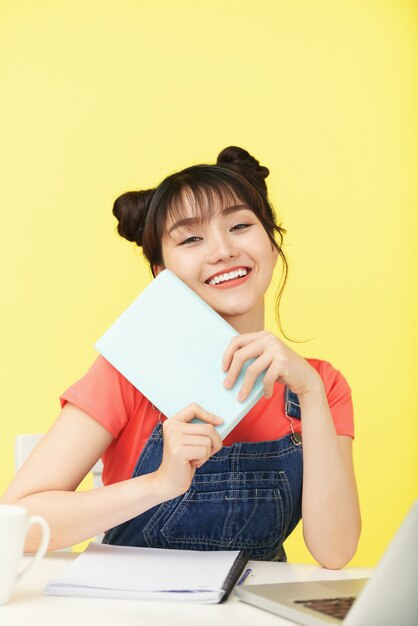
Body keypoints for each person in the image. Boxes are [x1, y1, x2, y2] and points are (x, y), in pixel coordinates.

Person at [2, 146, 361, 568]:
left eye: (241, 225)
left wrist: (310, 391)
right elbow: (17, 523)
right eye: (192, 238)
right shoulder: (128, 371)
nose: (223, 250)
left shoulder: (320, 385)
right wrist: (159, 483)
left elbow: (335, 553)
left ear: (272, 239)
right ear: (161, 274)